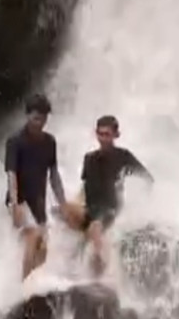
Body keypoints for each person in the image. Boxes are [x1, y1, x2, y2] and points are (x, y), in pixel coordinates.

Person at [60, 114, 152, 277]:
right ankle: (66, 263)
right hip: (90, 208)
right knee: (62, 210)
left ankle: (103, 275)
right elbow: (84, 187)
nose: (103, 138)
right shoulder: (89, 158)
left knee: (95, 228)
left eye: (107, 134)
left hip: (110, 208)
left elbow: (147, 178)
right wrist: (74, 206)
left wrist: (141, 200)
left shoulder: (123, 156)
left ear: (116, 135)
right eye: (100, 134)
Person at [4, 93, 67, 280]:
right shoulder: (15, 141)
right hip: (20, 199)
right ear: (27, 116)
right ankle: (23, 287)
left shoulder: (50, 141)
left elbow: (54, 175)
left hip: (38, 200)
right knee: (32, 238)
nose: (39, 123)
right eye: (36, 118)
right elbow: (11, 174)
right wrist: (15, 206)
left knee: (43, 247)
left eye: (44, 118)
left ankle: (33, 285)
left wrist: (63, 203)